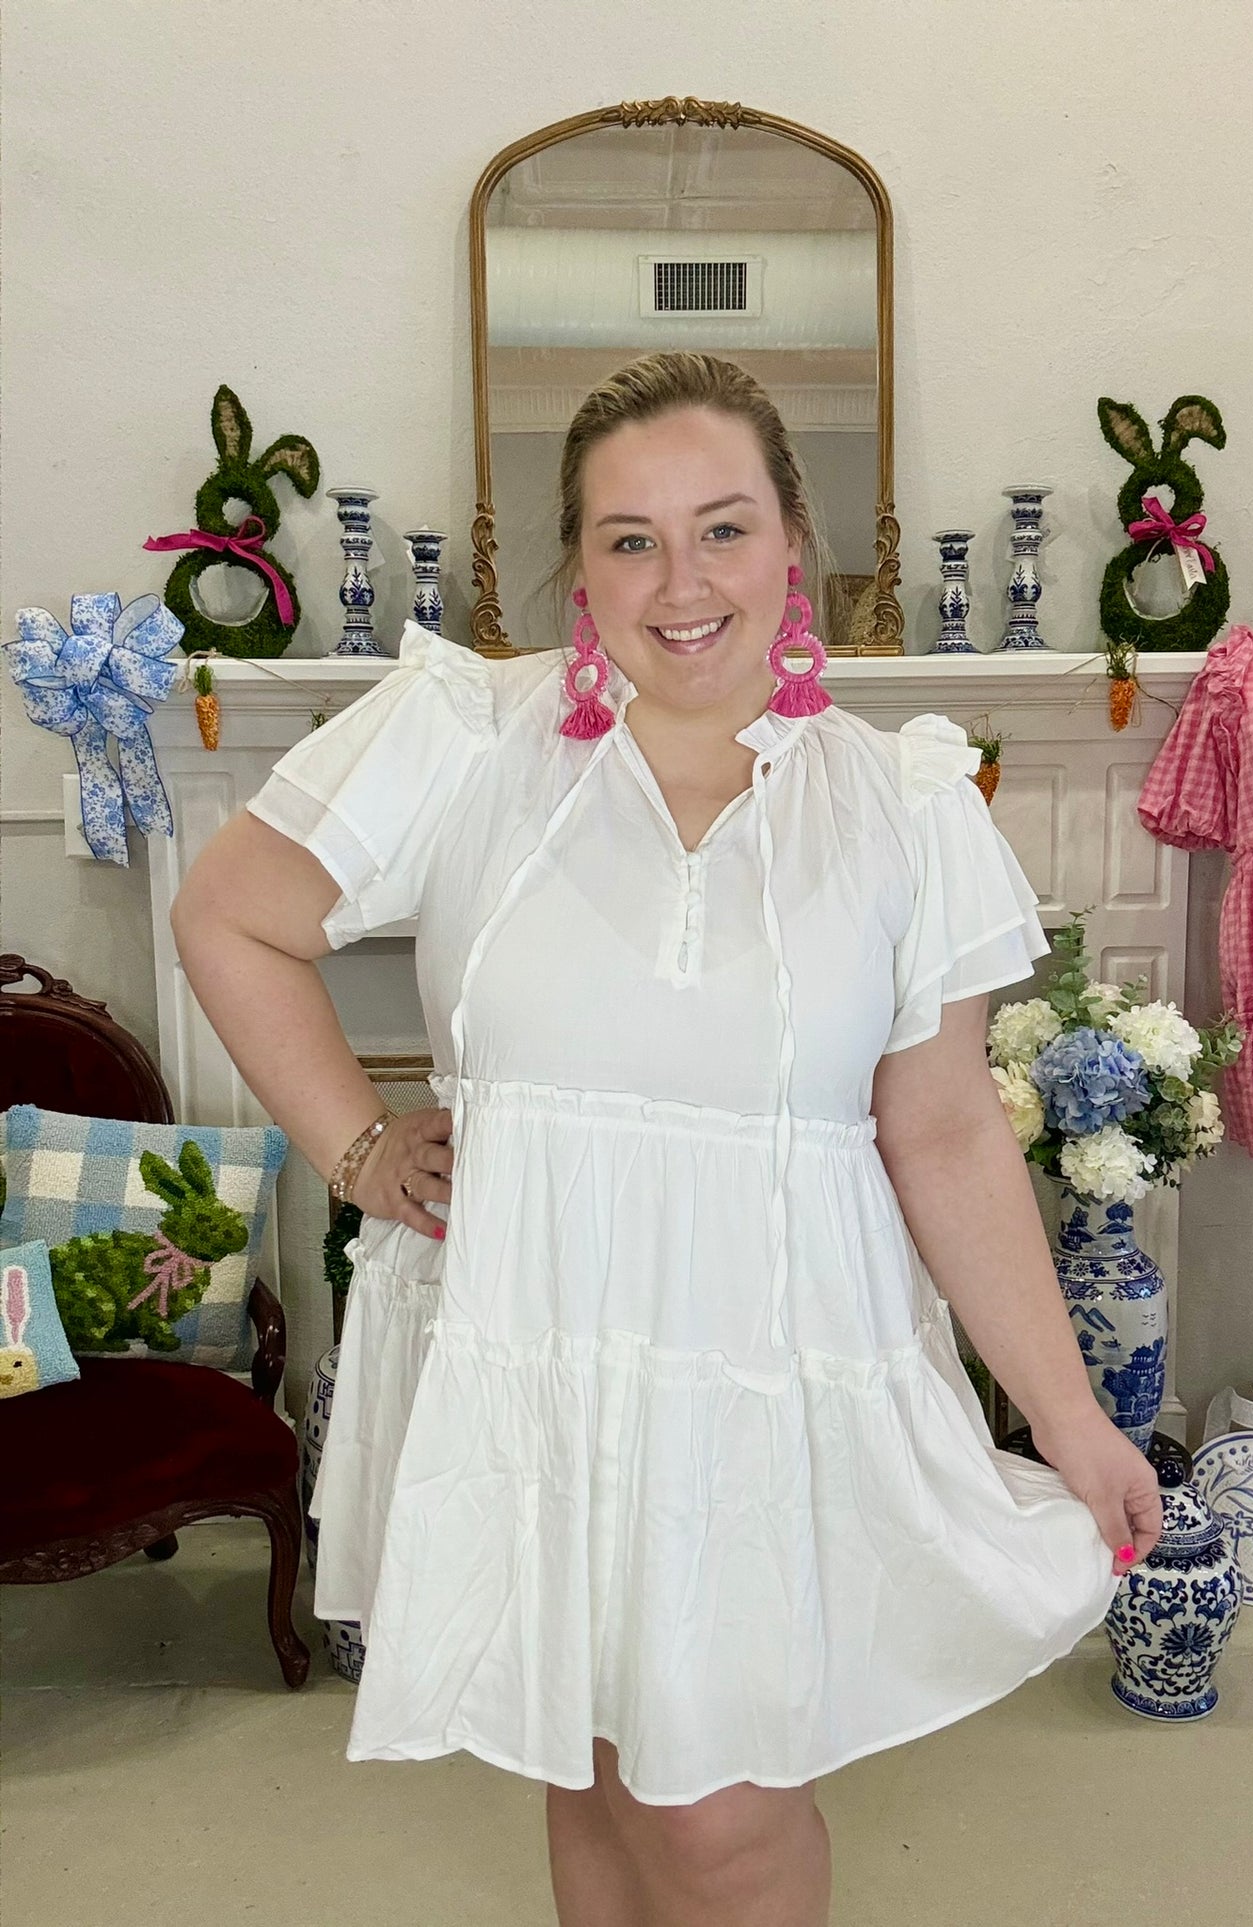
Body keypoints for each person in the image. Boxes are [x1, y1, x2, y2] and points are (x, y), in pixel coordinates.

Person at [173, 351, 1161, 1927]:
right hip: (539, 1339)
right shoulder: (467, 737)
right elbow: (229, 916)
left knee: (718, 1811)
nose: (679, 580)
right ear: (579, 567)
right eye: (629, 538)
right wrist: (357, 1146)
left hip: (768, 1365)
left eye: (722, 527)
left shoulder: (901, 804)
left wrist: (1066, 1417)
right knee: (599, 1765)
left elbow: (948, 1130)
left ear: (793, 545)